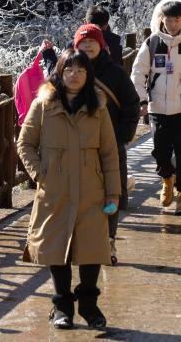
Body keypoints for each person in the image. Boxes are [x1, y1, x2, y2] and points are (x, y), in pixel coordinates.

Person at [17, 49, 120, 330]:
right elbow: (25, 144)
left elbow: (110, 154)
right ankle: (62, 307)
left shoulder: (98, 109)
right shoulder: (43, 105)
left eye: (81, 71)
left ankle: (89, 305)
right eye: (69, 70)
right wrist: (41, 174)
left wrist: (113, 192)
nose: (75, 76)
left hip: (91, 190)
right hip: (55, 191)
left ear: (89, 75)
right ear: (60, 73)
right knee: (56, 248)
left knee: (91, 249)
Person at [72, 23, 140, 265]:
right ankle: (81, 243)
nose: (88, 45)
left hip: (108, 148)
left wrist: (121, 135)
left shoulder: (114, 72)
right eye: (83, 41)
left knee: (110, 197)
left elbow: (132, 104)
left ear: (101, 44)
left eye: (92, 41)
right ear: (75, 45)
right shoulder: (69, 69)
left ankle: (108, 241)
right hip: (75, 148)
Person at [131, 0, 181, 214]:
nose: (172, 24)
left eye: (177, 19)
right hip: (157, 106)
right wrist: (141, 99)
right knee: (160, 151)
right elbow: (138, 72)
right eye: (168, 19)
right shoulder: (151, 42)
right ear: (161, 19)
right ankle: (167, 179)